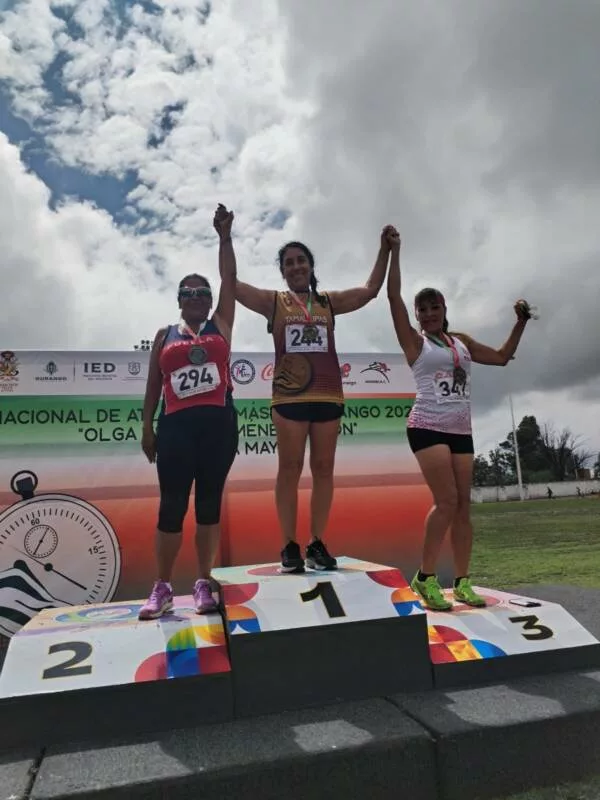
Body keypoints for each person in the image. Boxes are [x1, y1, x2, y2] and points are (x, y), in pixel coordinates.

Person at [386, 229, 534, 610]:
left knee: (463, 507)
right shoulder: (415, 342)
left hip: (460, 430)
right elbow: (393, 298)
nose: (429, 314)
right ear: (417, 316)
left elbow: (501, 357)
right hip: (426, 425)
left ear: (444, 309)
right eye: (422, 310)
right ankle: (425, 577)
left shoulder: (461, 342)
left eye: (434, 307)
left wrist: (520, 322)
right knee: (447, 501)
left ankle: (464, 581)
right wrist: (394, 251)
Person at [235, 227, 397, 573]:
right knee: (290, 468)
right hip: (289, 398)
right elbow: (230, 284)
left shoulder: (327, 302)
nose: (296, 267)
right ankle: (289, 545)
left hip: (327, 394)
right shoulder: (274, 302)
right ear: (282, 271)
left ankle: (316, 543)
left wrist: (385, 248)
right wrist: (224, 239)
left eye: (301, 260)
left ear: (311, 266)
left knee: (323, 469)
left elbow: (370, 291)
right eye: (289, 263)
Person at [138, 204, 238, 620]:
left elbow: (230, 278)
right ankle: (162, 586)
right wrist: (147, 427)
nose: (196, 298)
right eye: (188, 293)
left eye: (202, 293)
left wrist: (224, 237)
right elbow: (153, 385)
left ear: (210, 300)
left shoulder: (221, 323)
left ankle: (203, 581)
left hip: (218, 425)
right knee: (172, 505)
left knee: (209, 504)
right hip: (176, 427)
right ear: (179, 300)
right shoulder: (165, 334)